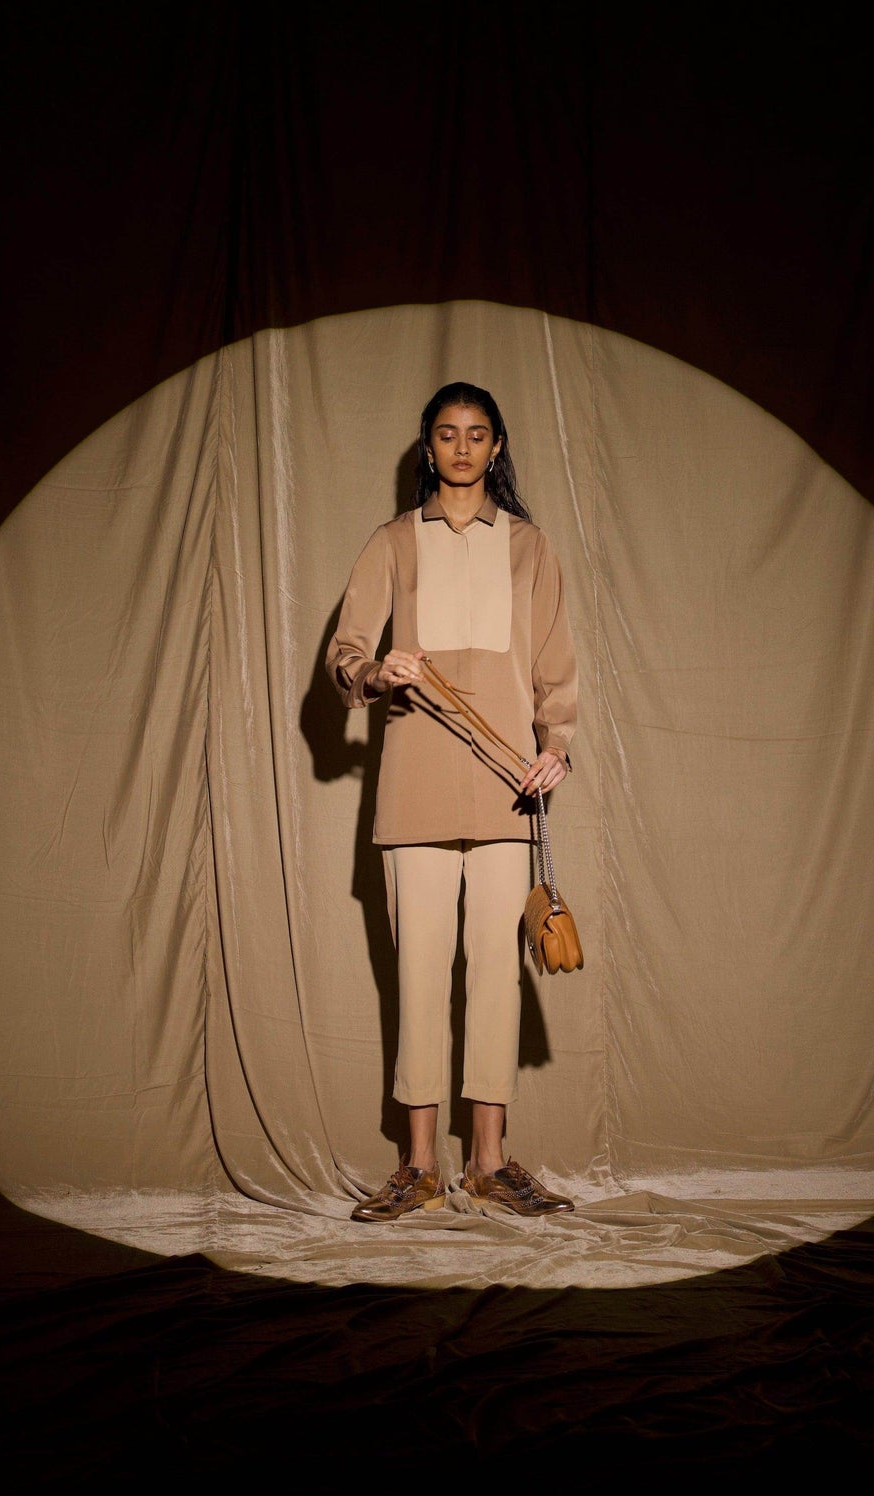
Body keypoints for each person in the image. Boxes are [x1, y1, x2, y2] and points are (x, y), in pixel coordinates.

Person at [327, 381, 578, 1222]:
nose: (462, 447)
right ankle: (420, 1166)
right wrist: (376, 670)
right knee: (419, 976)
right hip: (415, 785)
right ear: (427, 446)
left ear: (497, 446)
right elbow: (346, 651)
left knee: (499, 979)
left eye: (476, 434)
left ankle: (490, 1164)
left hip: (508, 789)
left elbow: (554, 667)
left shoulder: (530, 547)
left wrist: (555, 746)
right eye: (446, 433)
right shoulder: (393, 542)